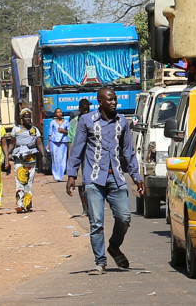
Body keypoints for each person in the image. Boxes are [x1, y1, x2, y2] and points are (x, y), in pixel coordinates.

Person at [66, 87, 145, 275]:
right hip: (93, 179)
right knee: (96, 223)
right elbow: (77, 149)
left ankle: (114, 246)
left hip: (116, 177)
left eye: (115, 99)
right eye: (109, 99)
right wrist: (71, 175)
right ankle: (100, 262)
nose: (114, 102)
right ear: (100, 101)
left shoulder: (122, 122)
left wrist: (136, 176)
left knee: (124, 218)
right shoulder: (87, 121)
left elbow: (128, 151)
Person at [10, 108, 45, 213]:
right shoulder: (16, 130)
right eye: (25, 117)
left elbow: (39, 143)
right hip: (19, 160)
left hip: (31, 160)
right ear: (21, 118)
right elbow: (12, 143)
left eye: (29, 116)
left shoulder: (34, 130)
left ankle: (27, 203)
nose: (28, 119)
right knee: (20, 181)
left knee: (29, 182)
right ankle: (20, 204)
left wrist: (43, 156)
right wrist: (7, 156)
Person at [68, 99, 92, 216]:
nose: (86, 112)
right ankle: (85, 208)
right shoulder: (74, 123)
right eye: (84, 110)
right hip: (79, 157)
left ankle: (93, 207)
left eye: (88, 109)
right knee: (80, 184)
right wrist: (70, 160)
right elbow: (71, 141)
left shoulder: (95, 120)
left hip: (92, 157)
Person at [48, 108, 69, 182]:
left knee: (62, 159)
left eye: (60, 112)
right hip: (54, 142)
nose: (59, 113)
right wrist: (48, 144)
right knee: (55, 159)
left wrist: (64, 131)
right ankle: (56, 176)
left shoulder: (66, 122)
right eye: (57, 112)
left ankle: (60, 176)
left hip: (63, 142)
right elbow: (50, 133)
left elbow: (69, 132)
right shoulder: (53, 122)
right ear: (55, 114)